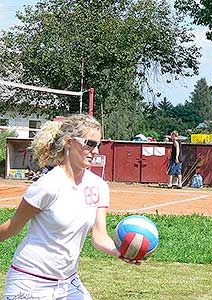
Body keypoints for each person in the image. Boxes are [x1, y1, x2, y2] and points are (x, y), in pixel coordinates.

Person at [0, 114, 135, 300]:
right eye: (89, 143)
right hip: (30, 280)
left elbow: (99, 236)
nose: (95, 151)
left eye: (98, 145)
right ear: (69, 142)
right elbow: (13, 227)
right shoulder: (47, 186)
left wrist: (120, 251)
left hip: (68, 282)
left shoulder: (99, 186)